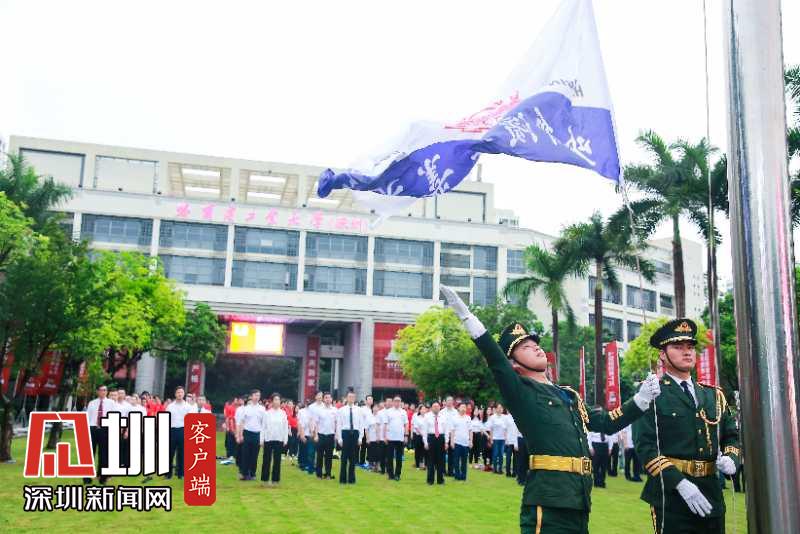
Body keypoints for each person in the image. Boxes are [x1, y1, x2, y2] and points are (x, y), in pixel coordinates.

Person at [441, 285, 661, 533]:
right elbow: (495, 358)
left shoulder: (569, 395)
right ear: (514, 365)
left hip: (579, 500)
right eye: (525, 347)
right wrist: (466, 317)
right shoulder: (520, 391)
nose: (536, 347)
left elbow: (607, 423)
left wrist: (641, 399)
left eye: (535, 343)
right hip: (547, 503)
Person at [633, 318, 740, 534]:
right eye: (678, 347)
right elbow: (645, 447)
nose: (687, 352)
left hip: (711, 492)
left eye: (690, 347)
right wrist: (680, 483)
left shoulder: (713, 395)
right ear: (663, 354)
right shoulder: (651, 393)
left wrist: (731, 457)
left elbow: (731, 436)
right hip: (671, 496)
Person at [83, 384, 115, 485]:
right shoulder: (92, 403)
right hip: (93, 428)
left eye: (105, 390)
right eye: (101, 390)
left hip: (105, 429)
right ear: (97, 391)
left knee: (104, 454)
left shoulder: (111, 403)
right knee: (89, 454)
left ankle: (102, 477)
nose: (103, 392)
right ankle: (87, 478)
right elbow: (87, 417)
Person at [236, 389, 265, 481]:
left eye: (258, 395)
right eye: (255, 395)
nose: (257, 397)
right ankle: (244, 473)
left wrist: (263, 438)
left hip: (257, 434)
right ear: (251, 396)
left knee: (254, 455)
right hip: (247, 433)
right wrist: (240, 435)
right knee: (245, 454)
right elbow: (242, 422)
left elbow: (264, 424)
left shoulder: (262, 409)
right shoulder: (246, 408)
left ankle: (252, 473)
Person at [336, 390, 363, 484]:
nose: (351, 398)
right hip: (345, 433)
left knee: (353, 457)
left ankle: (351, 479)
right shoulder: (341, 410)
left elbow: (361, 424)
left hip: (355, 433)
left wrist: (360, 438)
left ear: (355, 398)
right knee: (344, 457)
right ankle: (342, 479)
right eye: (349, 397)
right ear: (346, 398)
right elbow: (339, 425)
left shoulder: (359, 410)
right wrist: (339, 438)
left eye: (353, 397)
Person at [165, 386, 193, 480]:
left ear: (184, 394)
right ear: (175, 394)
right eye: (178, 392)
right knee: (170, 453)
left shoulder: (188, 407)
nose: (180, 394)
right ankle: (168, 474)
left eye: (181, 392)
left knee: (182, 453)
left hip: (183, 430)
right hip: (172, 430)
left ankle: (181, 473)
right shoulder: (170, 406)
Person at [261, 393, 288, 487]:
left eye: (278, 400)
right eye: (275, 399)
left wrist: (285, 439)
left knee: (277, 460)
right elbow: (263, 427)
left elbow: (285, 427)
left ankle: (275, 479)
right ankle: (265, 479)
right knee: (266, 459)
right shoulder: (267, 413)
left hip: (279, 439)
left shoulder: (283, 413)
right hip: (268, 438)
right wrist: (262, 439)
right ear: (271, 401)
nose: (277, 401)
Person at [422, 401, 450, 485]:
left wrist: (446, 442)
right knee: (431, 460)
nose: (436, 408)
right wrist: (425, 442)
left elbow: (446, 430)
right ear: (431, 408)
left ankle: (440, 480)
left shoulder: (444, 417)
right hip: (431, 438)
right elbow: (424, 430)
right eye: (434, 406)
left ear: (440, 407)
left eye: (437, 406)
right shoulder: (427, 416)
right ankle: (430, 480)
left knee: (441, 460)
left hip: (441, 438)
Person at [384, 396, 409, 481]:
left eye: (399, 401)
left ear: (401, 402)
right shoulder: (388, 412)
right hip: (390, 437)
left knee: (399, 457)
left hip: (400, 437)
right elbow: (385, 424)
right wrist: (385, 436)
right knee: (389, 457)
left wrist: (406, 435)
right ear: (393, 402)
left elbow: (406, 424)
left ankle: (397, 474)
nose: (397, 402)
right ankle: (390, 474)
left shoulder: (403, 412)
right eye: (395, 401)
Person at [313, 392, 337, 479]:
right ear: (323, 399)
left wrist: (336, 435)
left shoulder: (335, 410)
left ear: (331, 399)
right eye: (326, 397)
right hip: (321, 435)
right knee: (319, 456)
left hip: (330, 435)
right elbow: (316, 423)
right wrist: (316, 435)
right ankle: (319, 474)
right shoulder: (319, 410)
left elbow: (337, 423)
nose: (328, 399)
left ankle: (328, 474)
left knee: (329, 456)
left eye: (329, 398)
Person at [449, 403, 472, 481]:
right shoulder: (454, 418)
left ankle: (463, 476)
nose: (463, 408)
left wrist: (471, 441)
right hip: (457, 442)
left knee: (464, 461)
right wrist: (452, 441)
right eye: (462, 407)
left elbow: (470, 430)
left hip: (465, 442)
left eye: (465, 407)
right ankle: (457, 476)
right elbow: (452, 431)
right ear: (458, 408)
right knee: (456, 460)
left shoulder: (468, 418)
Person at [486, 403, 508, 474]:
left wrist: (506, 438)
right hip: (495, 438)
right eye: (499, 408)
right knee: (495, 454)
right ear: (496, 409)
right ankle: (494, 469)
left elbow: (506, 429)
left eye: (501, 408)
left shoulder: (505, 417)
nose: (500, 409)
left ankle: (500, 469)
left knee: (501, 454)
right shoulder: (493, 417)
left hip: (502, 439)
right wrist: (491, 439)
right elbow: (491, 429)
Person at [441, 396, 458, 476]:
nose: (449, 402)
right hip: (444, 434)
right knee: (442, 453)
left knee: (452, 454)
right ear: (445, 402)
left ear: (453, 402)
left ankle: (451, 471)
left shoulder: (456, 412)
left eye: (451, 400)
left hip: (452, 434)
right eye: (448, 400)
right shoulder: (442, 412)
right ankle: (443, 470)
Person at [359, 395, 374, 466]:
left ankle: (368, 461)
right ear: (366, 401)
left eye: (371, 399)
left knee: (370, 446)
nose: (370, 400)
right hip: (364, 430)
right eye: (369, 399)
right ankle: (362, 462)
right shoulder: (362, 409)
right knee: (363, 446)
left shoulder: (372, 409)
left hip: (371, 431)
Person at [412, 405, 427, 469]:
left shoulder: (427, 417)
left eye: (424, 409)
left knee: (424, 450)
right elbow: (416, 427)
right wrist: (422, 434)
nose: (423, 410)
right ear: (420, 410)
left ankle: (423, 463)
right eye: (422, 409)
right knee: (418, 450)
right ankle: (417, 464)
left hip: (425, 436)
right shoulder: (417, 417)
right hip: (418, 436)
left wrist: (425, 435)